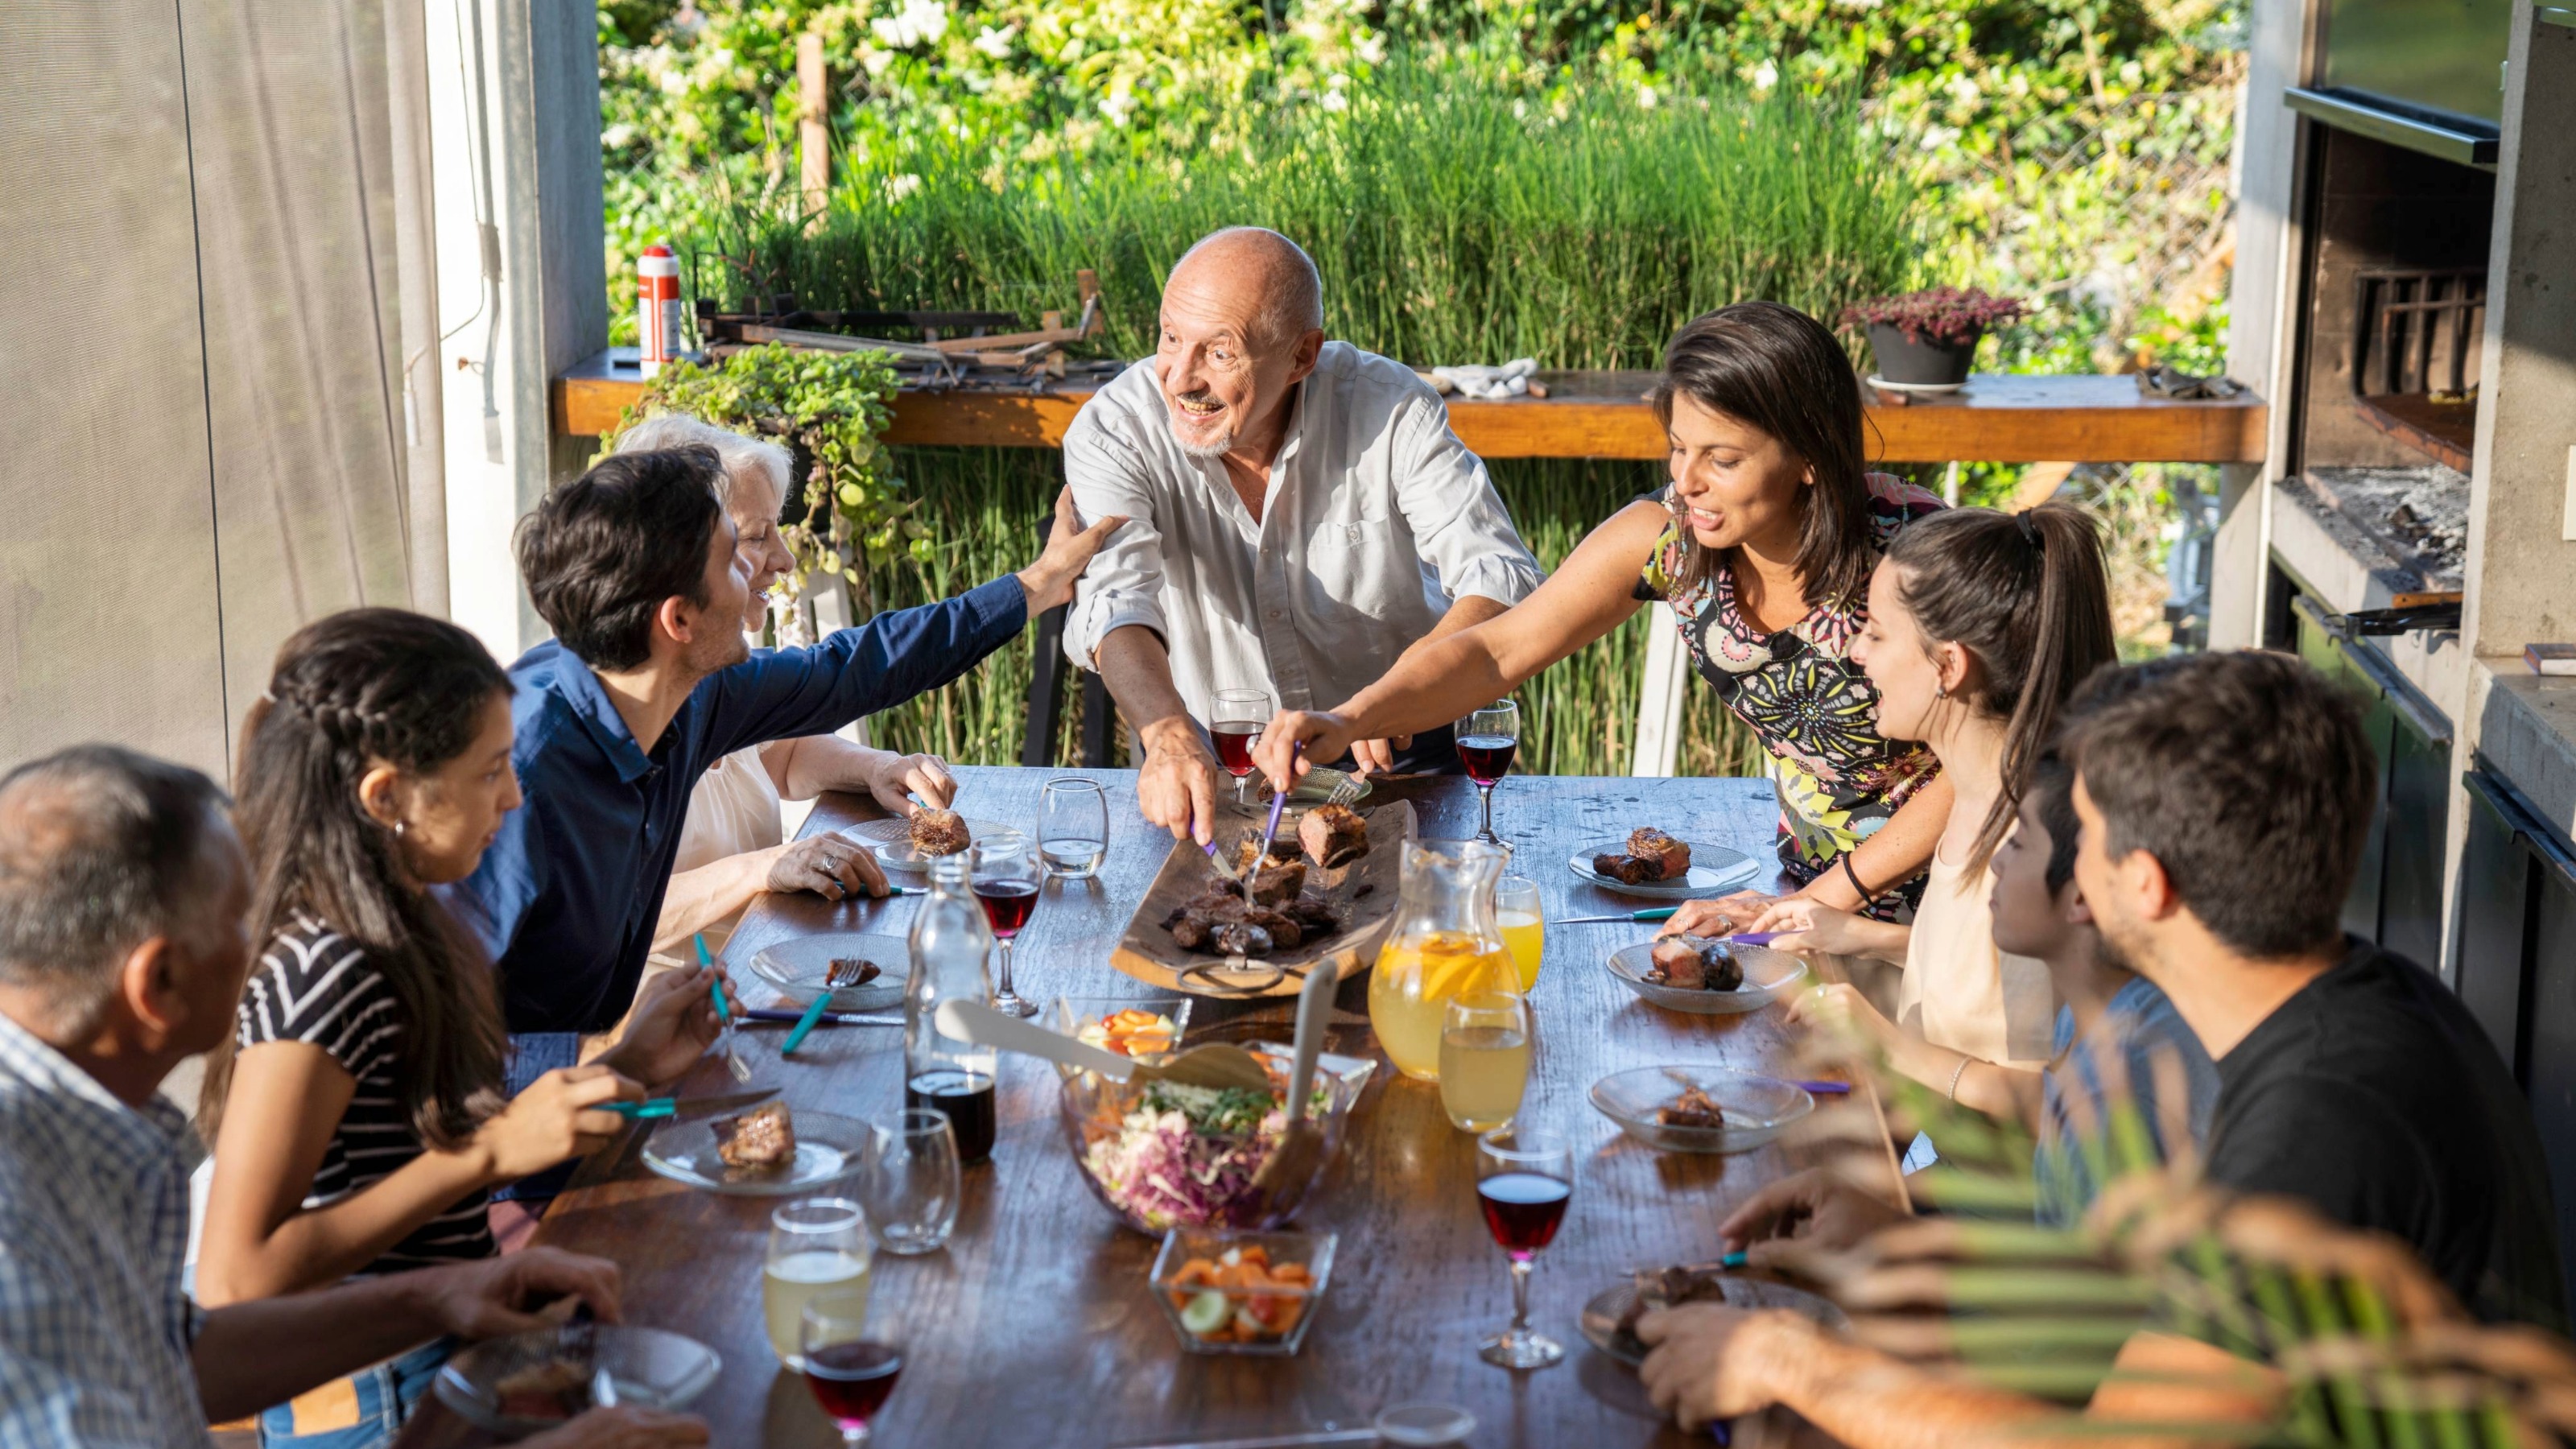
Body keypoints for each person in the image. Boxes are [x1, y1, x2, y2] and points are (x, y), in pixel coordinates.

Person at [1633, 650, 2566, 1442]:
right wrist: (1910, 1250)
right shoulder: (2347, 1002)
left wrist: (1797, 1363)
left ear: (2141, 886)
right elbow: (2138, 1320)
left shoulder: (2324, 1116)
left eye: (2072, 833)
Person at [0, 745, 704, 1448]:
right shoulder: (19, 1231)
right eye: (239, 920)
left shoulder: (91, 1135)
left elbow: (176, 1356)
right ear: (157, 984)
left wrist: (437, 1299)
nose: (262, 946)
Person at [191, 610, 725, 1447]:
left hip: (447, 1335)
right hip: (365, 1391)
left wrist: (629, 1064)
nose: (514, 796)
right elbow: (236, 1277)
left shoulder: (420, 924)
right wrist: (490, 1151)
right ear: (386, 797)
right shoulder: (325, 968)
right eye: (490, 771)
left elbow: (406, 1140)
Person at [1257, 302, 1953, 920]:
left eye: (1724, 459)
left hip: (1955, 897)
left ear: (1810, 456)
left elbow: (1994, 760)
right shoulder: (1669, 537)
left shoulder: (1920, 548)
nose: (1687, 480)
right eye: (1680, 448)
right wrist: (1350, 717)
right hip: (1803, 894)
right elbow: (1498, 651)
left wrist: (1818, 905)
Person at [448, 444, 1121, 1048]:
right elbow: (431, 1010)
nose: (760, 575)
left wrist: (1038, 586)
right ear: (678, 619)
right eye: (731, 561)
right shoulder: (520, 777)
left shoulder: (685, 692)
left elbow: (854, 667)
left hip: (617, 1079)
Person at [1062, 226, 1544, 844]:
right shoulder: (1115, 428)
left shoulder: (1389, 407)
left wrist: (1385, 700)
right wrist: (1166, 733)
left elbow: (1501, 577)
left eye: (1220, 352)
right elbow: (1114, 601)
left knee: (1424, 931)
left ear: (1302, 356)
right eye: (1171, 337)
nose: (1180, 378)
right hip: (1215, 755)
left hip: (1400, 752)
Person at [1745, 750, 2217, 1239]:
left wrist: (1887, 1045)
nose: (1996, 860)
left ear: (2084, 891)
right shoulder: (2103, 988)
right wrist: (1859, 935)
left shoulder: (2137, 1045)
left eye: (2019, 845)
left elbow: (2049, 1109)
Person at [1739, 502, 2119, 1067]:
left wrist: (1887, 1044)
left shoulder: (2032, 834)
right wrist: (1854, 935)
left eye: (1875, 633)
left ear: (1948, 666)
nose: (1854, 651)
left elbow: (2060, 1112)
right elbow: (1992, 973)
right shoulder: (1978, 795)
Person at [609, 415, 956, 980]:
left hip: (767, 966)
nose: (786, 558)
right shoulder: (613, 705)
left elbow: (781, 756)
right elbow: (613, 917)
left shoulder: (716, 665)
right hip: (660, 1012)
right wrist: (764, 868)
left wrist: (877, 768)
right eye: (754, 537)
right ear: (679, 553)